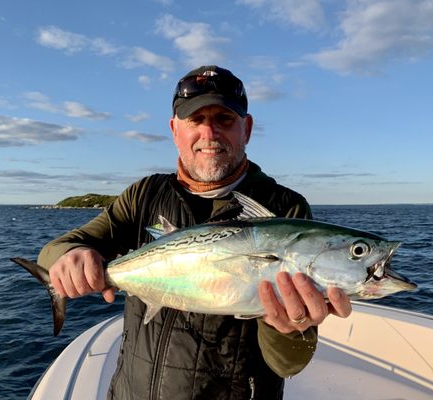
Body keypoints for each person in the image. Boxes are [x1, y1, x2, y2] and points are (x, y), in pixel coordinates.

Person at [37, 65, 352, 400]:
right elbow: (58, 248)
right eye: (195, 120)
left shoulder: (284, 210)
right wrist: (69, 258)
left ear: (246, 129)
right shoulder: (145, 194)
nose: (209, 132)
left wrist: (291, 329)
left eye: (224, 119)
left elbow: (287, 364)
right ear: (175, 130)